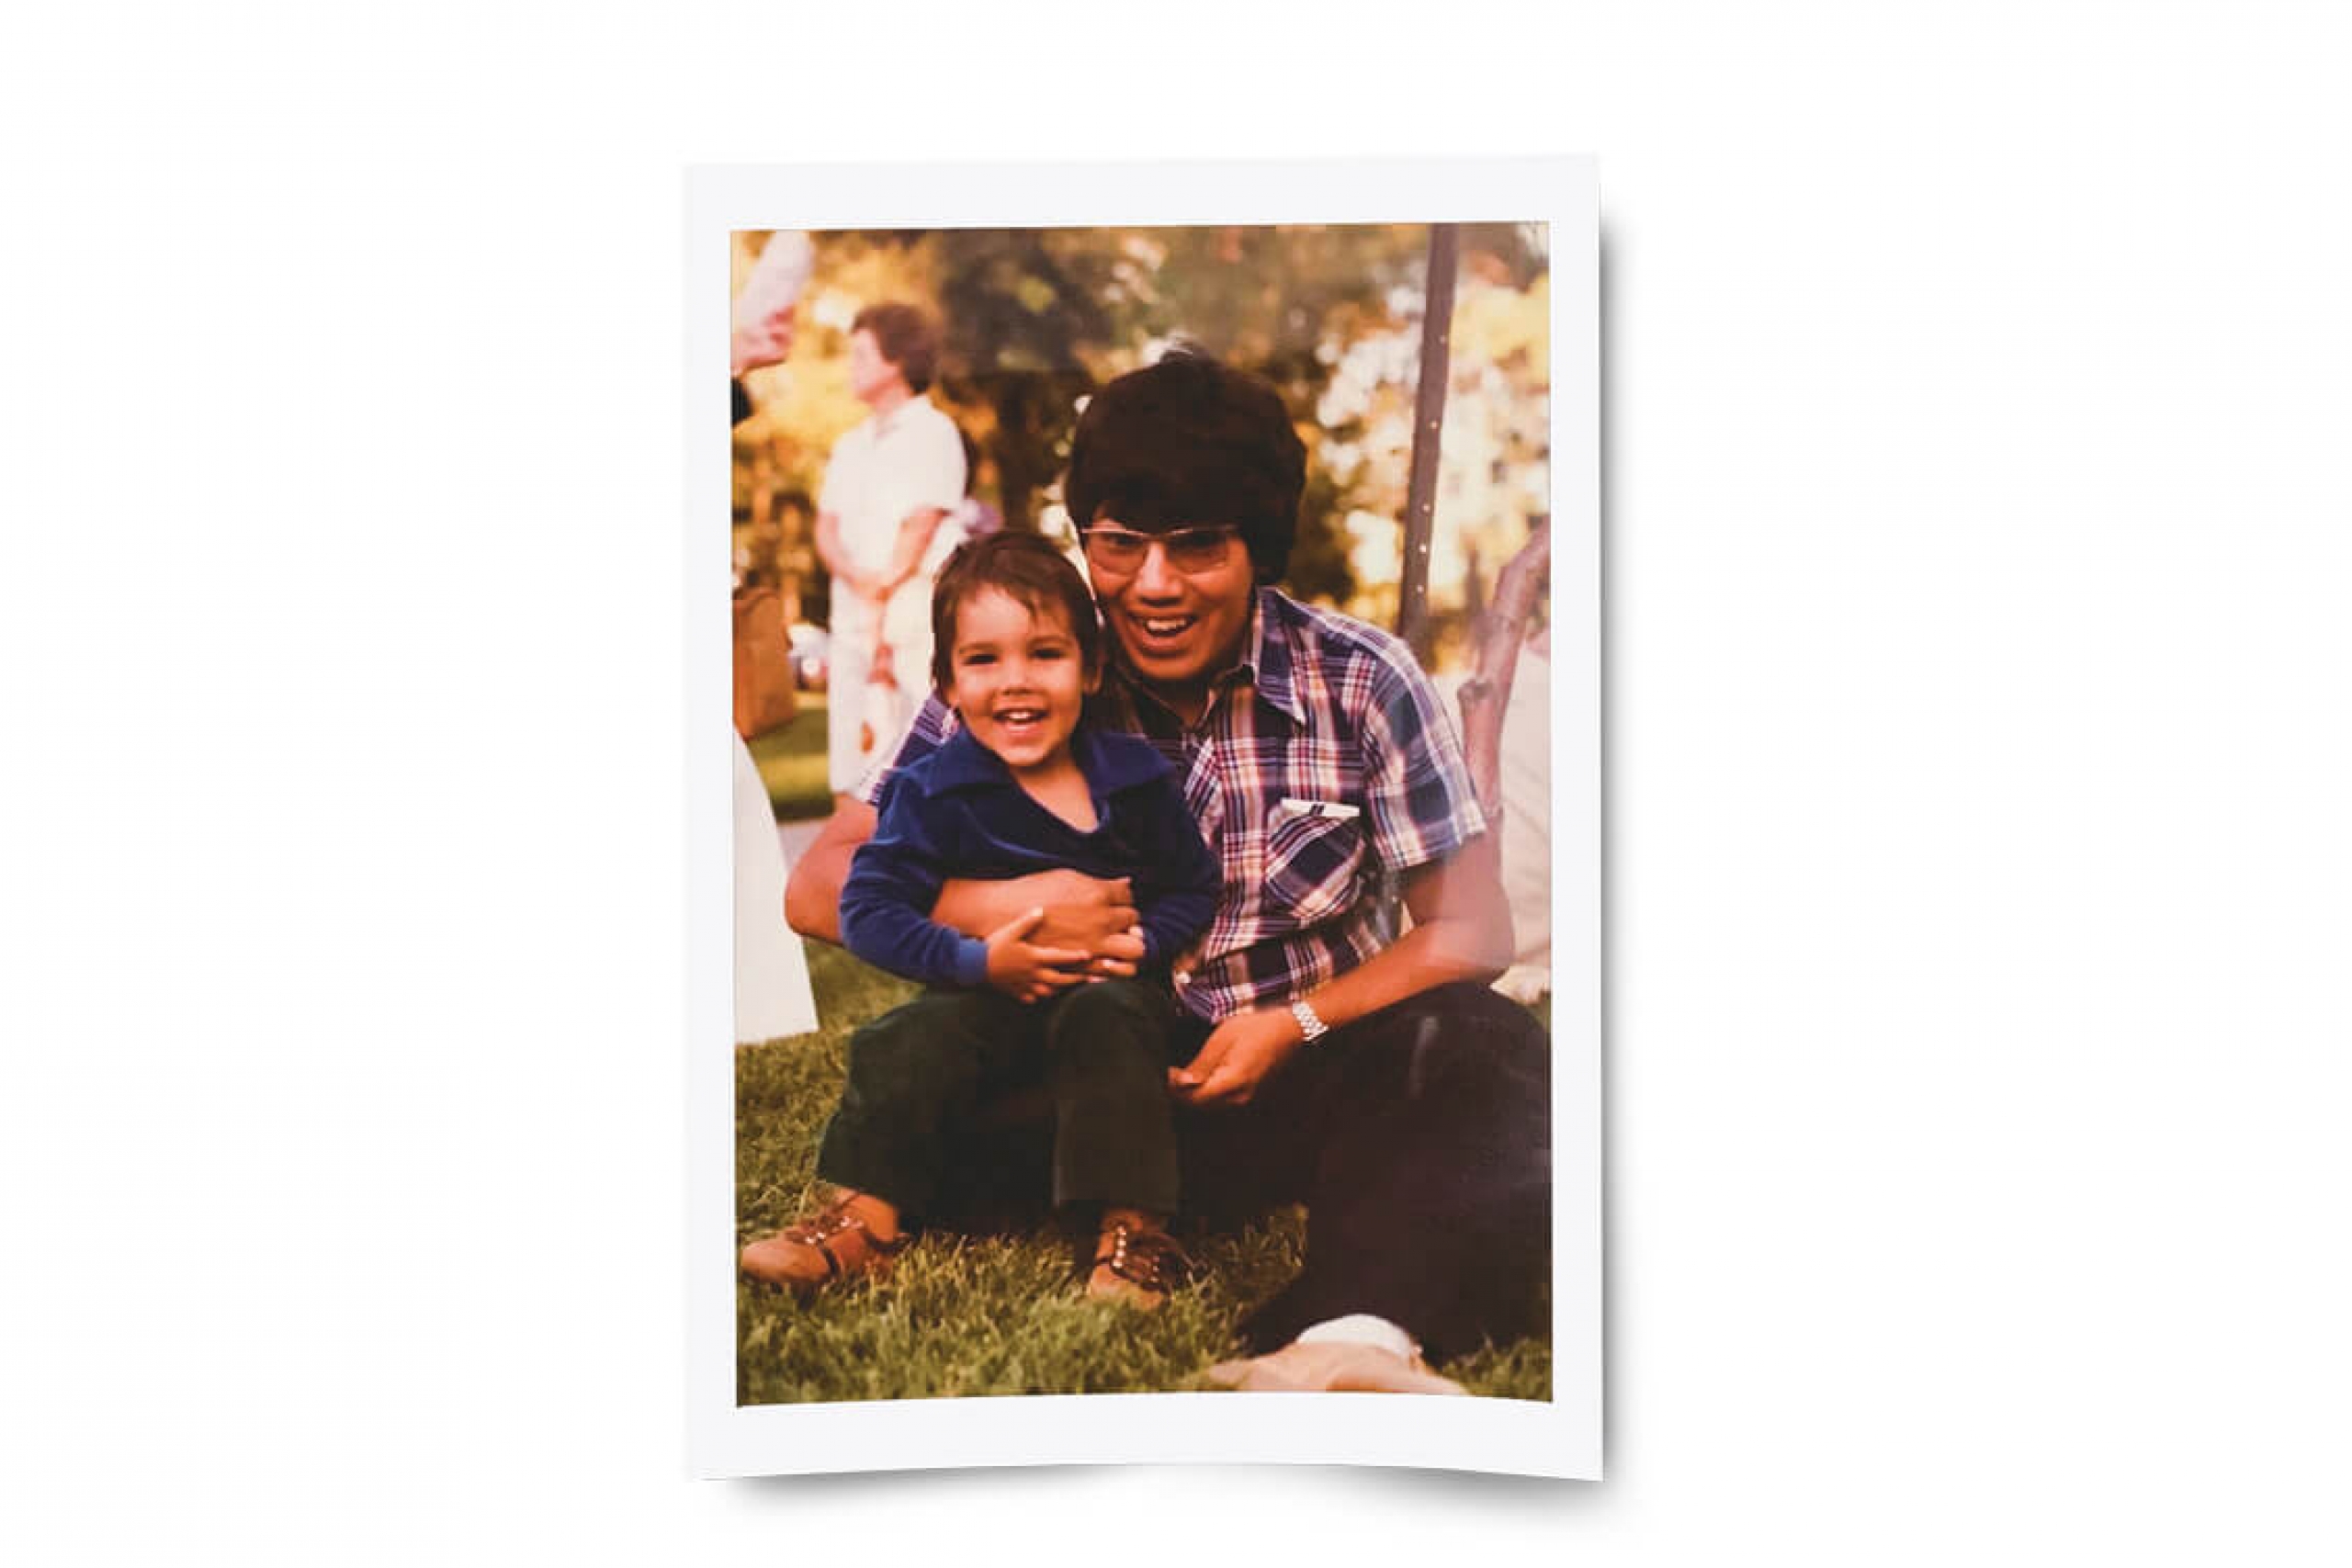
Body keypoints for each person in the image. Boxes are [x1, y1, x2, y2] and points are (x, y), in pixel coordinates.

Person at [778, 348, 1551, 1394]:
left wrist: (1297, 1023)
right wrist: (1004, 904)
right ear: (1084, 539)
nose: (1152, 585)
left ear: (1256, 546)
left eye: (1196, 547)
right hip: (1077, 1077)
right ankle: (908, 1216)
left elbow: (1473, 933)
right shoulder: (1027, 665)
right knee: (926, 1064)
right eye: (1119, 544)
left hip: (1288, 1076)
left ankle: (1349, 1338)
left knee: (1478, 1044)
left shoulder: (1360, 679)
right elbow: (818, 883)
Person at [741, 532, 1220, 1308]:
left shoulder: (1134, 778)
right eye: (984, 659)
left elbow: (1192, 886)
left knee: (1113, 1020)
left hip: (1106, 992)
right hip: (982, 994)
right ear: (947, 684)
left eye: (1045, 654)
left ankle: (1133, 1227)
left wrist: (1146, 940)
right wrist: (974, 963)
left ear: (1091, 669)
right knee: (906, 1036)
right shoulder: (933, 790)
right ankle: (867, 1216)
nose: (1016, 682)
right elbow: (867, 905)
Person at [813, 303, 968, 800]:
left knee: (921, 746)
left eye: (861, 355)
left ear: (898, 360)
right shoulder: (849, 445)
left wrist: (880, 593)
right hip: (852, 618)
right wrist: (855, 578)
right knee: (850, 749)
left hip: (911, 619)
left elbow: (920, 524)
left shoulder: (934, 432)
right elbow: (827, 526)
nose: (850, 367)